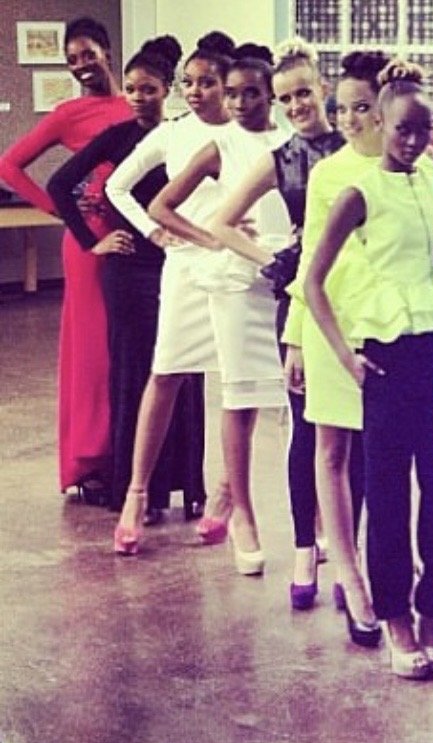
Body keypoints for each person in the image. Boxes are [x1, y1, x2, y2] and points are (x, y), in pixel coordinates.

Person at [304, 60, 433, 678]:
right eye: (401, 127)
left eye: (422, 128)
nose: (412, 138)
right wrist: (347, 357)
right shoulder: (358, 191)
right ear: (378, 121)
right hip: (388, 361)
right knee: (390, 497)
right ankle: (396, 619)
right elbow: (313, 281)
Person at [115, 43, 293, 572]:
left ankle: (225, 494)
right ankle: (137, 493)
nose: (197, 92)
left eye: (208, 83)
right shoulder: (174, 133)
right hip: (192, 266)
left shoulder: (262, 140)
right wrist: (170, 234)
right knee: (166, 371)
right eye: (188, 83)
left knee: (244, 385)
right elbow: (121, 187)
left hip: (245, 271)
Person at [207, 38, 361, 610]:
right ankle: (304, 548)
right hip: (299, 301)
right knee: (305, 426)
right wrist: (272, 261)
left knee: (356, 434)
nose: (296, 105)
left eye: (303, 93)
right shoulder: (279, 158)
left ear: (322, 89)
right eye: (285, 98)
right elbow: (222, 223)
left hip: (355, 301)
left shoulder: (354, 146)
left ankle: (347, 553)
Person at [47, 35, 206, 525]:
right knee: (136, 374)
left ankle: (190, 487)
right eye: (133, 90)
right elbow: (59, 185)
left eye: (149, 89)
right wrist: (93, 240)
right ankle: (141, 491)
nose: (139, 97)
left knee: (188, 370)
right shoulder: (115, 138)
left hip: (177, 263)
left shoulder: (185, 134)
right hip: (127, 269)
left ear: (167, 91)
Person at [0, 16, 132, 503]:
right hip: (87, 243)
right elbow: (8, 165)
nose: (81, 65)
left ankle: (129, 451)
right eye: (71, 59)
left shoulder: (135, 103)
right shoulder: (67, 114)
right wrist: (58, 207)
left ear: (107, 51)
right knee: (92, 349)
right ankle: (91, 460)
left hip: (134, 240)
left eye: (87, 54)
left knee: (129, 348)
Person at [279, 49, 386, 647]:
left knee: (381, 455)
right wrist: (296, 336)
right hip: (327, 324)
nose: (348, 119)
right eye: (340, 108)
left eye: (361, 107)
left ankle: (370, 556)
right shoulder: (326, 174)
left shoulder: (416, 166)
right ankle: (345, 571)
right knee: (329, 450)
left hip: (388, 330)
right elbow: (308, 263)